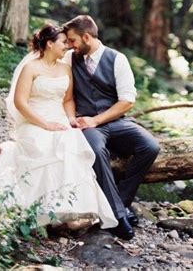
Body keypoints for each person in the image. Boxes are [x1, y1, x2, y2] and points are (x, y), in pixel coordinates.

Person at [0, 24, 117, 231]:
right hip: (34, 121)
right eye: (63, 42)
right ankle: (42, 210)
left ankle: (72, 209)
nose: (67, 46)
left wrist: (70, 120)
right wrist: (46, 124)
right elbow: (21, 103)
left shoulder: (65, 68)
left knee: (69, 143)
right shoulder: (31, 68)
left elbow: (67, 100)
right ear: (49, 43)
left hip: (59, 120)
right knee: (41, 145)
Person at [63, 15, 160, 241]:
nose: (70, 45)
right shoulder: (70, 58)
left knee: (150, 147)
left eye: (72, 40)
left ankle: (122, 203)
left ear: (86, 36)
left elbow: (127, 100)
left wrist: (98, 120)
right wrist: (73, 119)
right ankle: (117, 216)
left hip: (115, 121)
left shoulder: (117, 59)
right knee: (96, 152)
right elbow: (64, 93)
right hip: (86, 123)